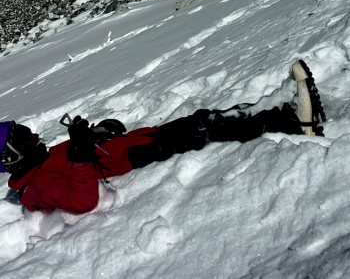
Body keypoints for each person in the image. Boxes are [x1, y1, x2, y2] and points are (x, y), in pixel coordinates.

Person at [0, 60, 326, 214]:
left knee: (202, 121)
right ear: (12, 154)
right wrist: (82, 155)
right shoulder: (37, 184)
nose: (35, 136)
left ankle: (287, 115)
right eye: (24, 137)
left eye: (27, 131)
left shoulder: (40, 165)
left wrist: (97, 133)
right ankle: (295, 121)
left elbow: (76, 156)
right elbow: (81, 200)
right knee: (205, 128)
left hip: (133, 144)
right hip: (134, 157)